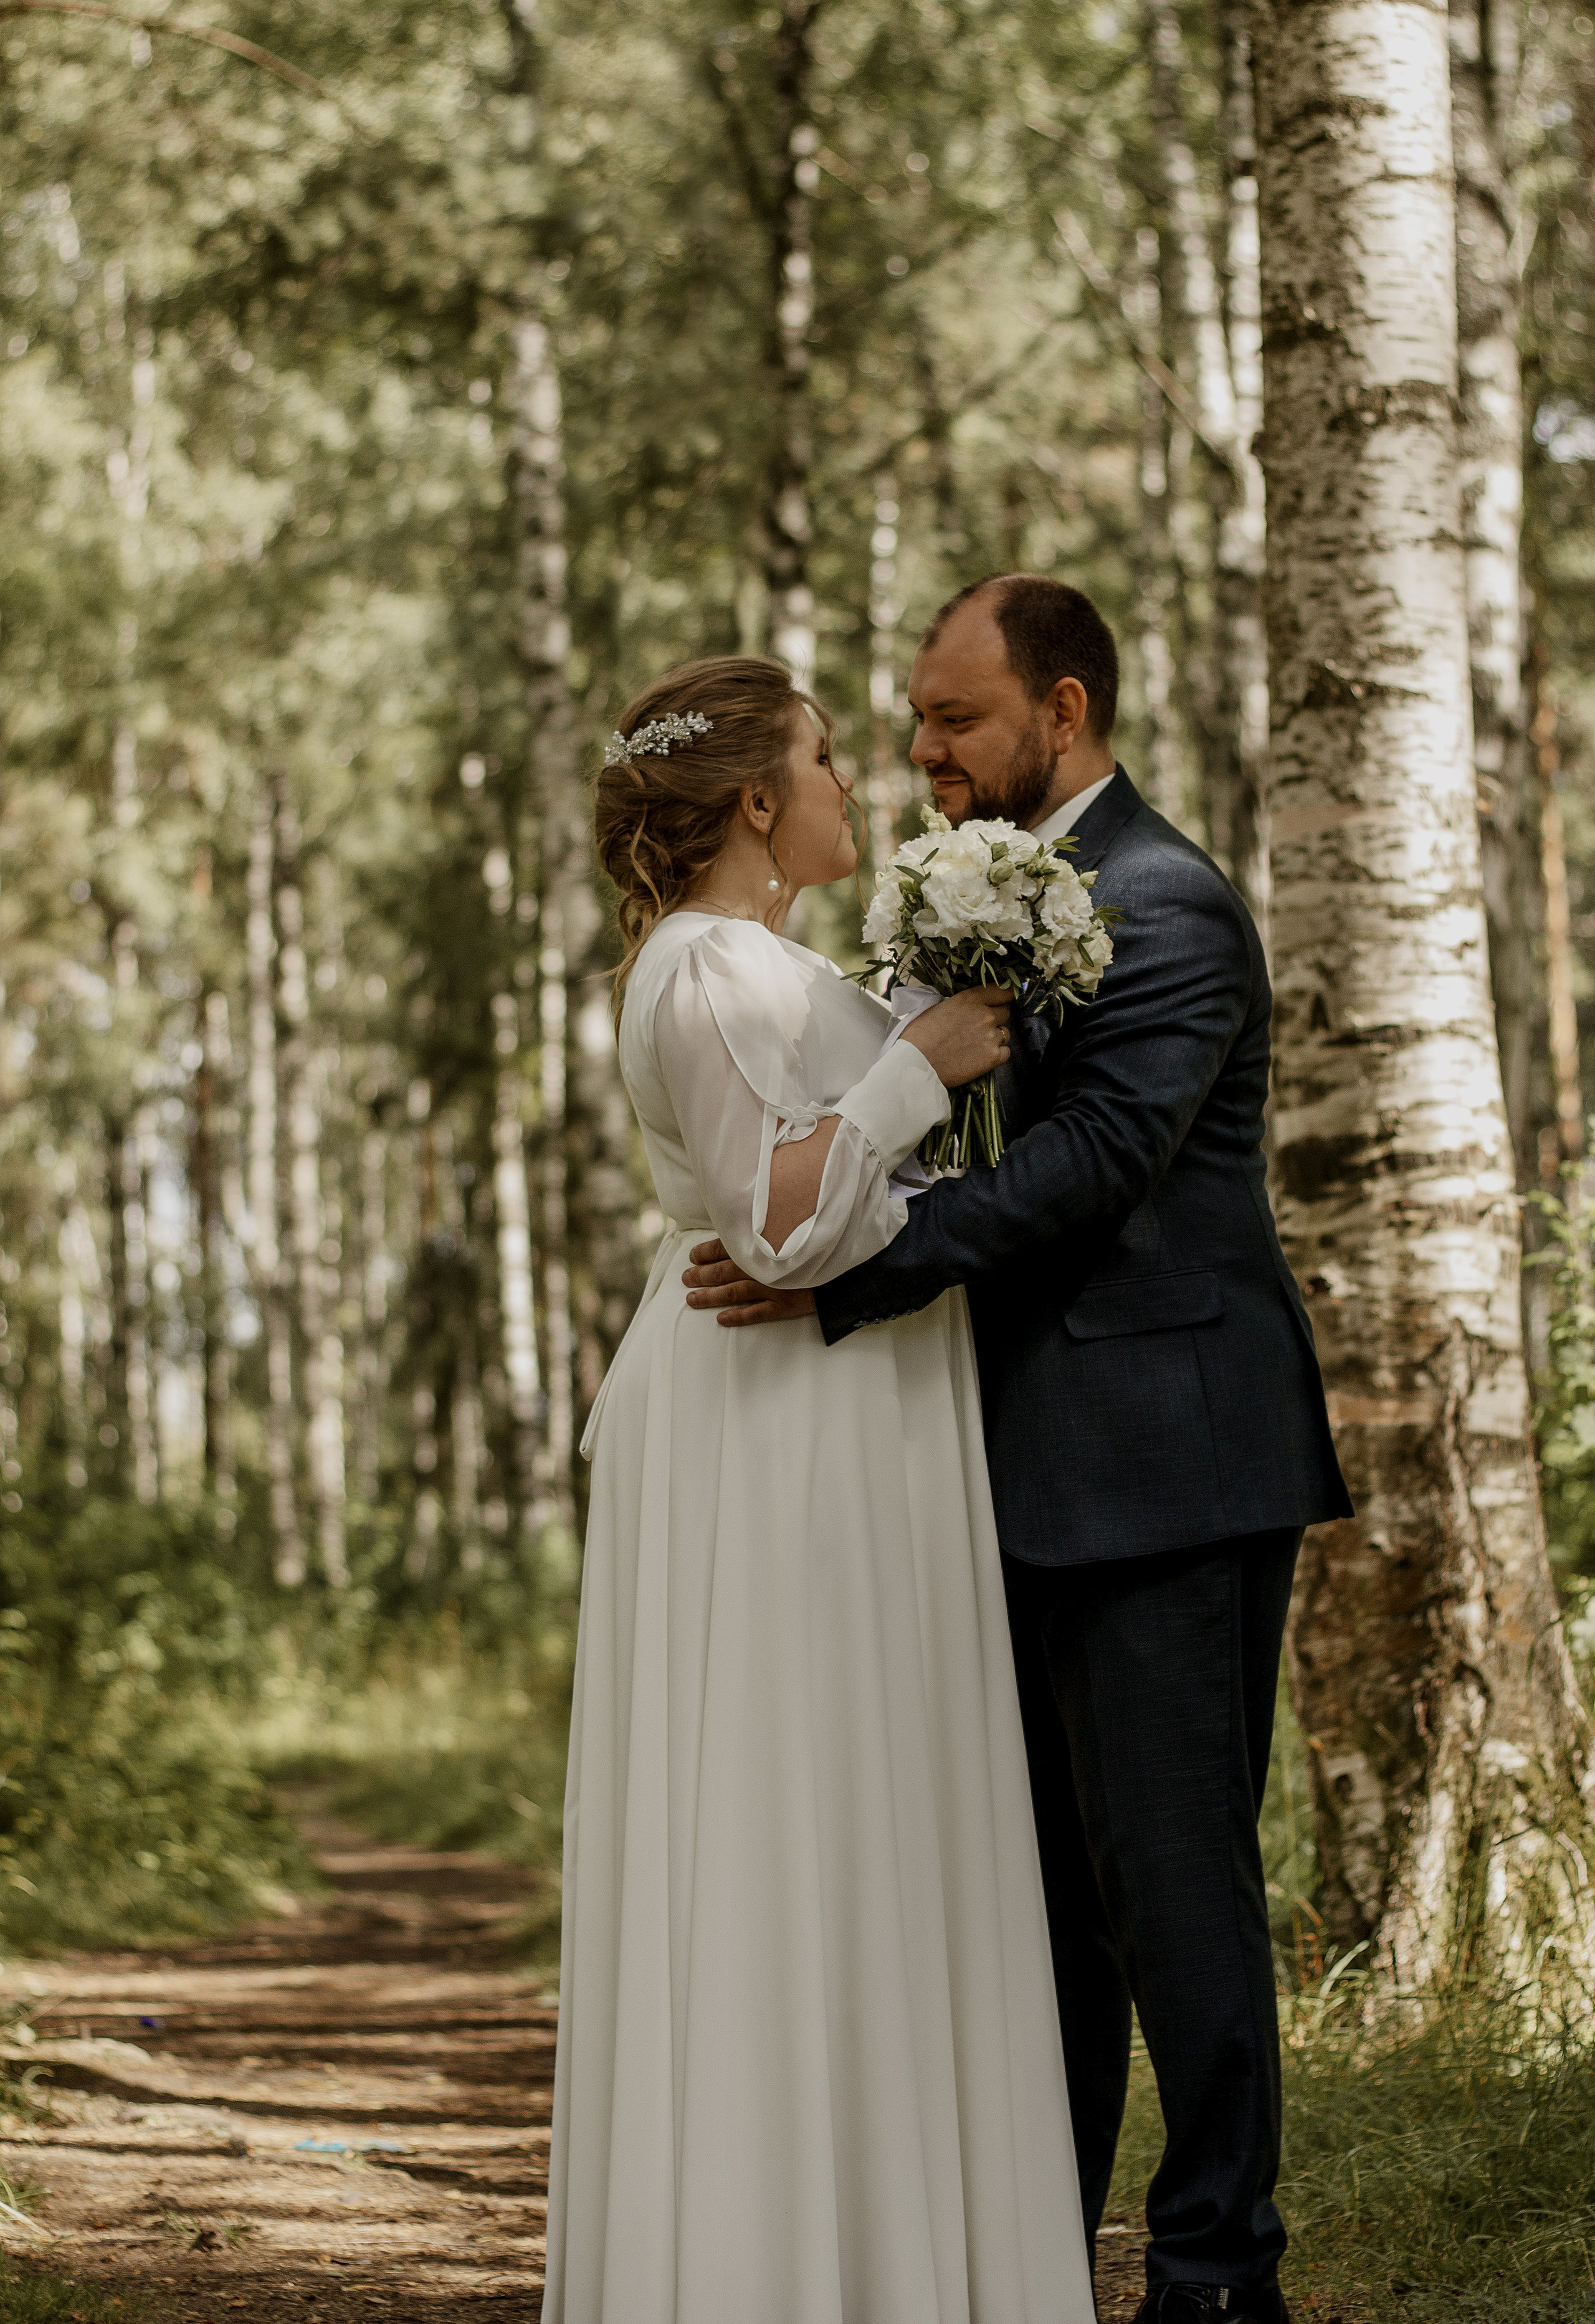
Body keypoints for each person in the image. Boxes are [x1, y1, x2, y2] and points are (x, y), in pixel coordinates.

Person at [683, 576, 1353, 2324]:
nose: (922, 754)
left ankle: (1217, 2279)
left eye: (956, 720)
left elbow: (1087, 1171)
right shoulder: (948, 906)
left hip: (1168, 1468)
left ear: (1061, 715)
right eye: (907, 721)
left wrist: (840, 1280)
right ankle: (1028, 2267)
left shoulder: (1171, 905)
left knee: (1171, 1890)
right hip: (996, 1478)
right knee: (1036, 1915)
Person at [543, 652, 1096, 2323]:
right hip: (771, 1428)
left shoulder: (750, 957)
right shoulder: (704, 971)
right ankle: (773, 2259)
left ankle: (879, 2242)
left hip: (834, 1414)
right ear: (761, 802)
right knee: (793, 1815)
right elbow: (783, 1228)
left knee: (863, 1813)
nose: (864, 783)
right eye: (829, 758)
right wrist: (923, 1064)